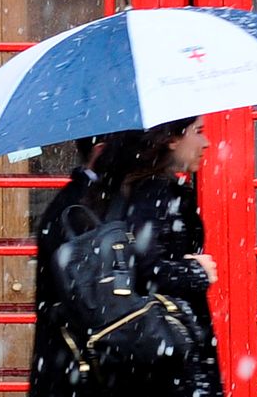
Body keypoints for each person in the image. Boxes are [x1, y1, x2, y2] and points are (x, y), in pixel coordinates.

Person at [92, 116, 224, 397]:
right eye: (198, 132)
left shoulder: (129, 188)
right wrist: (196, 272)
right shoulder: (156, 192)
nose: (206, 142)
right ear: (172, 139)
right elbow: (145, 268)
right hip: (167, 348)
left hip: (150, 347)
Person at [28, 136, 107, 397]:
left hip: (74, 361)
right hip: (73, 362)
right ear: (100, 151)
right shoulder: (76, 208)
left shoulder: (86, 199)